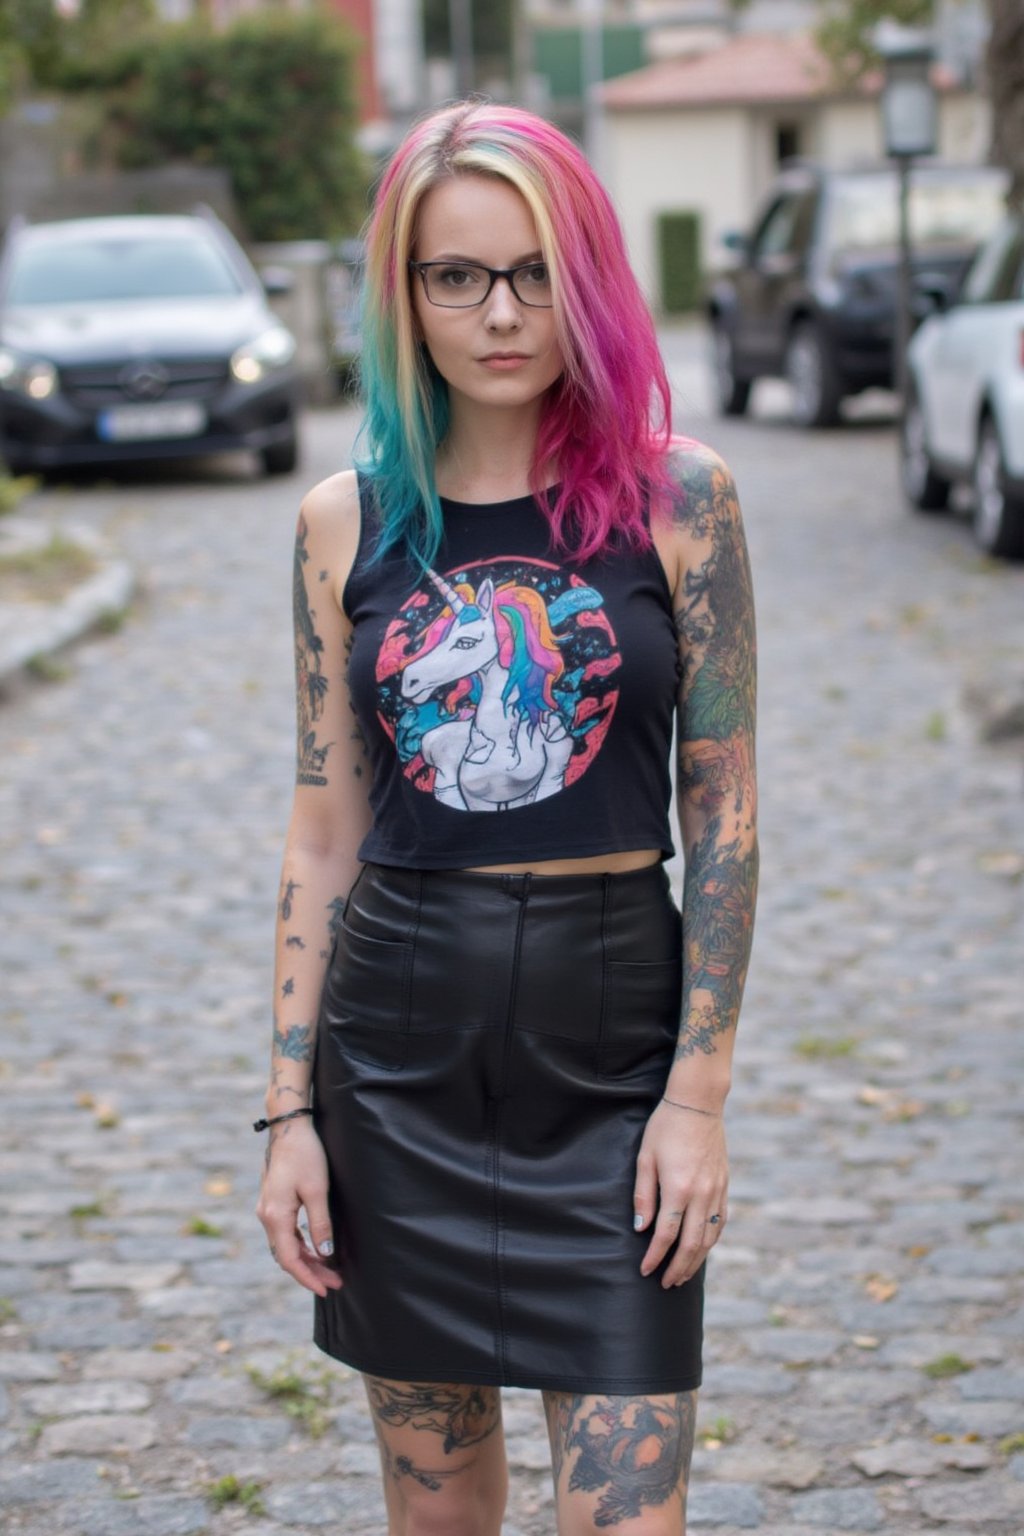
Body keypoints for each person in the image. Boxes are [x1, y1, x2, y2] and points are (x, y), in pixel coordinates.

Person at [256, 98, 758, 1536]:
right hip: (398, 1055)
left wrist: (698, 1101)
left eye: (536, 270)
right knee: (438, 1518)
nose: (500, 312)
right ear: (404, 294)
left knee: (629, 1517)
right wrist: (290, 1113)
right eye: (456, 275)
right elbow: (320, 836)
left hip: (612, 1050)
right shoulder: (342, 527)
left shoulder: (683, 504)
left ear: (588, 278)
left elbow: (723, 815)